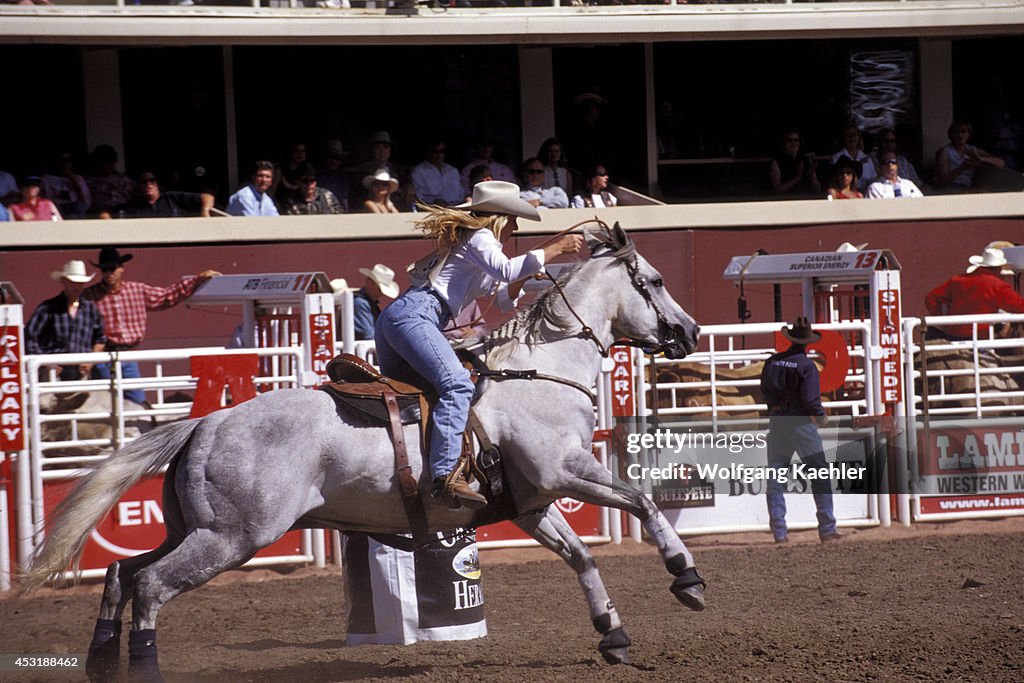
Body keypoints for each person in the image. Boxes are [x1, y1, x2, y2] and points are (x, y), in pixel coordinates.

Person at [373, 180, 583, 508]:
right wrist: (556, 247)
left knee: (411, 396)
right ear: (500, 217)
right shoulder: (480, 237)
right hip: (418, 316)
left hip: (403, 316)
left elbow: (501, 297)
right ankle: (445, 476)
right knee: (457, 386)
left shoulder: (474, 246)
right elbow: (506, 269)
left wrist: (525, 276)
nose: (514, 226)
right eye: (513, 219)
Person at [83, 247, 221, 404]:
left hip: (129, 355)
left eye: (112, 268)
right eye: (105, 270)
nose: (109, 273)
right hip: (103, 356)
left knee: (137, 402)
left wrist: (197, 280)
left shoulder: (136, 290)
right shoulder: (89, 296)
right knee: (105, 404)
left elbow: (165, 296)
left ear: (121, 268)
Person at [760, 317, 842, 545]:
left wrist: (775, 409)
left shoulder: (772, 362)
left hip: (778, 421)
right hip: (800, 423)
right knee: (819, 474)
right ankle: (827, 528)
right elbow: (810, 398)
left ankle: (780, 532)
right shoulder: (806, 366)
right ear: (808, 342)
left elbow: (765, 390)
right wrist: (821, 415)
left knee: (776, 476)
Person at [26, 260, 106, 381]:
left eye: (80, 283)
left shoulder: (90, 309)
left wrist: (91, 361)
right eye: (73, 283)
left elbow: (100, 339)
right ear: (64, 282)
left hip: (82, 369)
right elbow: (30, 337)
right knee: (46, 399)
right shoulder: (48, 308)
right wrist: (45, 362)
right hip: (54, 370)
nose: (77, 287)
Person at [924, 247, 1024, 341]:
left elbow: (931, 298)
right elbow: (1020, 307)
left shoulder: (957, 280)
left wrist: (943, 321)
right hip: (981, 337)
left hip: (953, 334)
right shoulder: (998, 286)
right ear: (1000, 267)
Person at [934, 119, 1006, 191]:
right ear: (951, 134)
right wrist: (962, 168)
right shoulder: (945, 151)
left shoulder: (972, 150)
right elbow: (942, 181)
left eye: (963, 131)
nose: (960, 135)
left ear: (969, 134)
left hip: (966, 187)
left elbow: (1001, 163)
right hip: (948, 188)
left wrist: (980, 158)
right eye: (956, 132)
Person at [114, 171, 215, 217]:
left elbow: (207, 197)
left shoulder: (172, 197)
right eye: (144, 182)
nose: (149, 184)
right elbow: (108, 213)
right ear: (139, 185)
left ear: (157, 183)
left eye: (152, 180)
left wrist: (205, 211)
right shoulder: (134, 205)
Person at [768, 129, 821, 196]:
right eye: (789, 140)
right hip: (785, 200)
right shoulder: (776, 162)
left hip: (806, 198)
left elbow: (818, 190)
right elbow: (777, 190)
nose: (793, 143)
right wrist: (797, 178)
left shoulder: (805, 160)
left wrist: (811, 176)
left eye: (796, 140)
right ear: (784, 143)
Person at [353, 263, 400, 340]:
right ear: (370, 282)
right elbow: (368, 335)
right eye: (379, 289)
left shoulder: (369, 303)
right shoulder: (361, 303)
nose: (381, 294)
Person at [85, 144, 135, 217]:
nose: (110, 164)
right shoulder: (88, 181)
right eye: (106, 161)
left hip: (123, 215)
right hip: (99, 217)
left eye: (113, 160)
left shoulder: (125, 180)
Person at [411, 139, 463, 206]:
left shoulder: (453, 170)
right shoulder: (419, 171)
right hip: (432, 209)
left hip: (456, 208)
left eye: (442, 151)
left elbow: (461, 193)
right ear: (428, 152)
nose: (439, 155)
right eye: (435, 152)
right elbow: (418, 195)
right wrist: (433, 201)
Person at [41, 151, 92, 219]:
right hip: (57, 211)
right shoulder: (46, 179)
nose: (65, 164)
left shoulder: (78, 178)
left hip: (76, 213)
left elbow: (86, 201)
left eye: (68, 161)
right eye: (62, 161)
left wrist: (74, 181)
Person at [830, 123, 877, 191]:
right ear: (844, 138)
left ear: (858, 137)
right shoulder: (836, 158)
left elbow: (874, 179)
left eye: (854, 135)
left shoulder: (867, 158)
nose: (852, 138)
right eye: (848, 136)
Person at [316, 139, 351, 213]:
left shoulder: (345, 178)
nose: (334, 161)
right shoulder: (317, 178)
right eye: (331, 158)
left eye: (338, 159)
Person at [272, 141, 308, 206]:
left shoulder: (307, 171)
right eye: (297, 151)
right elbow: (271, 192)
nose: (300, 154)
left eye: (302, 151)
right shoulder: (280, 171)